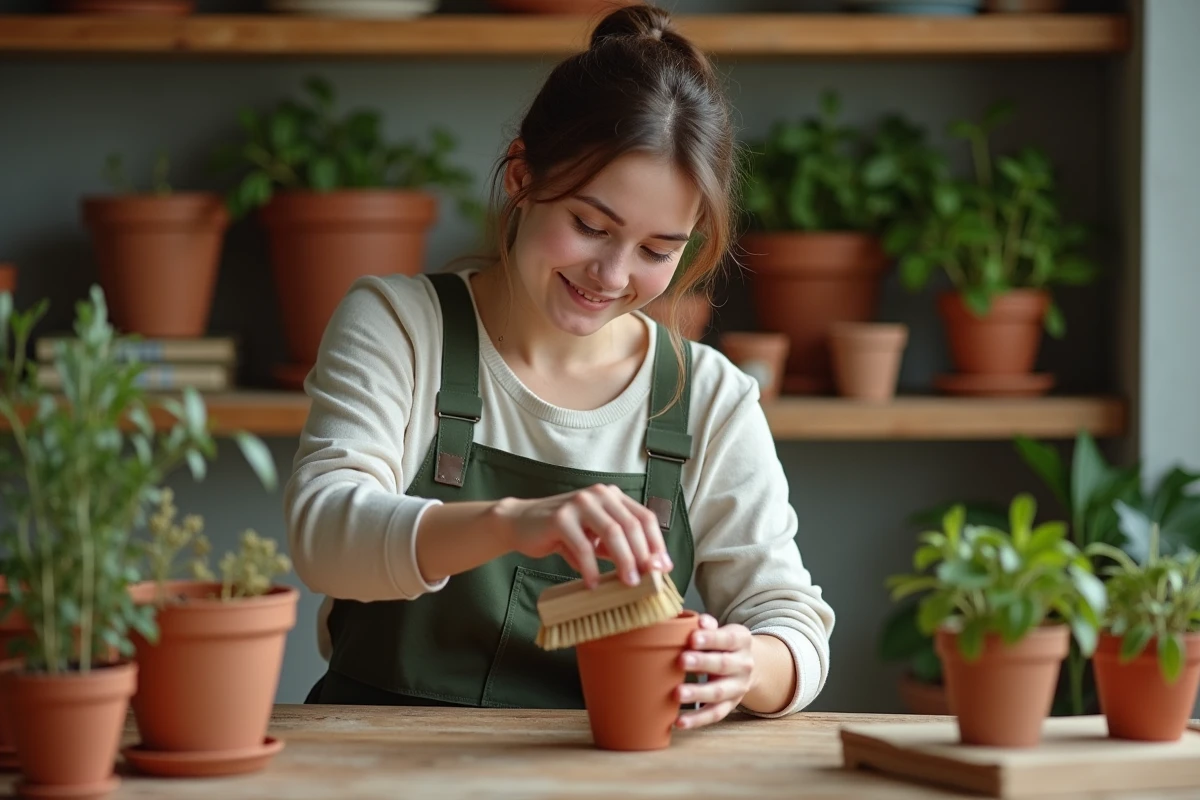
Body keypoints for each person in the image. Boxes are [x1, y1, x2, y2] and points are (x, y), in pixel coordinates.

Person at [283, 2, 834, 730]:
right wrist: (512, 522)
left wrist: (749, 666)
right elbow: (323, 536)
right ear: (521, 176)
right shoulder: (399, 327)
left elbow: (792, 621)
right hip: (370, 754)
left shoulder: (708, 398)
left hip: (600, 768)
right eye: (589, 226)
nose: (612, 273)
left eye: (656, 249)